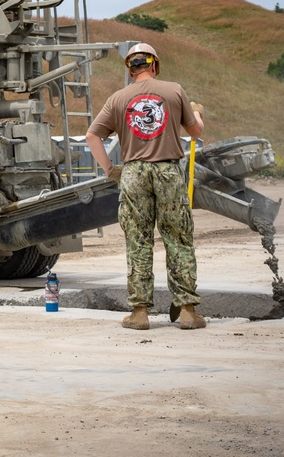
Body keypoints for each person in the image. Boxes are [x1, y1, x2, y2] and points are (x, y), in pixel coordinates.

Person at [85, 43, 206, 330]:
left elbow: (92, 136)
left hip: (133, 173)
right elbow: (195, 131)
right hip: (167, 170)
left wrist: (110, 170)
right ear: (154, 65)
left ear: (130, 69)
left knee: (137, 240)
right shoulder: (174, 90)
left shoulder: (117, 98)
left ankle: (140, 312)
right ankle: (187, 310)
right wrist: (197, 114)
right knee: (178, 238)